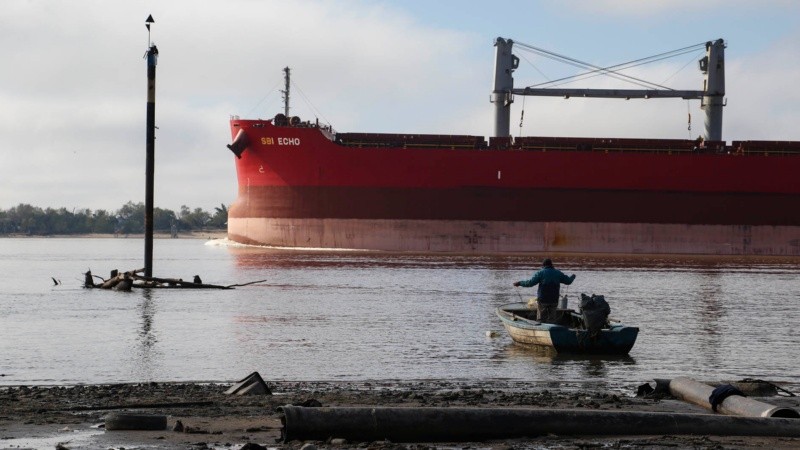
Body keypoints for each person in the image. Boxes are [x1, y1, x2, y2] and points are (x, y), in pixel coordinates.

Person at [513, 258, 576, 323]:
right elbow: (568, 281)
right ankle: (551, 329)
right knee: (552, 319)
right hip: (554, 300)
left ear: (543, 265)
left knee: (540, 320)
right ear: (551, 264)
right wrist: (573, 276)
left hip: (543, 299)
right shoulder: (558, 273)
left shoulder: (540, 273)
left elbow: (530, 283)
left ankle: (541, 329)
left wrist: (520, 283)